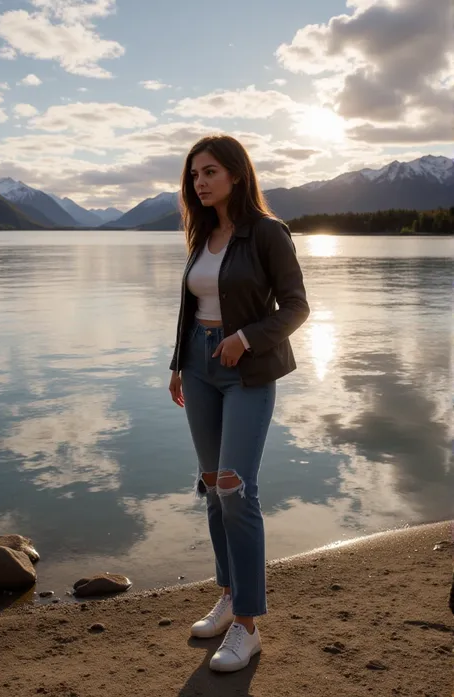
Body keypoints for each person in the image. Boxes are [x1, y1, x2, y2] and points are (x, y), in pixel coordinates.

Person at [168, 134, 310, 673]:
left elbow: (297, 307)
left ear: (235, 173)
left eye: (209, 172)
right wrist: (179, 363)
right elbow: (191, 304)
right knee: (210, 486)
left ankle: (247, 626)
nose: (200, 182)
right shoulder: (202, 233)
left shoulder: (268, 233)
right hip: (199, 369)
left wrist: (245, 338)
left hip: (246, 370)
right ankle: (227, 595)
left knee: (235, 486)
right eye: (194, 175)